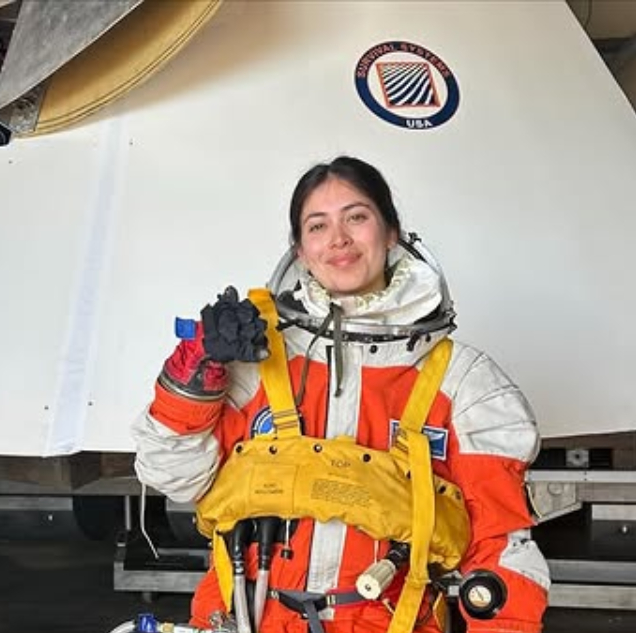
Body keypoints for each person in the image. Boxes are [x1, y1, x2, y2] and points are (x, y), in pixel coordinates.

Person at [132, 156, 549, 633]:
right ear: (300, 248)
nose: (338, 239)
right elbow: (172, 476)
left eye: (356, 216)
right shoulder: (254, 362)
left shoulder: (465, 383)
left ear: (391, 231)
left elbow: (502, 549)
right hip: (242, 617)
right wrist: (195, 369)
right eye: (318, 225)